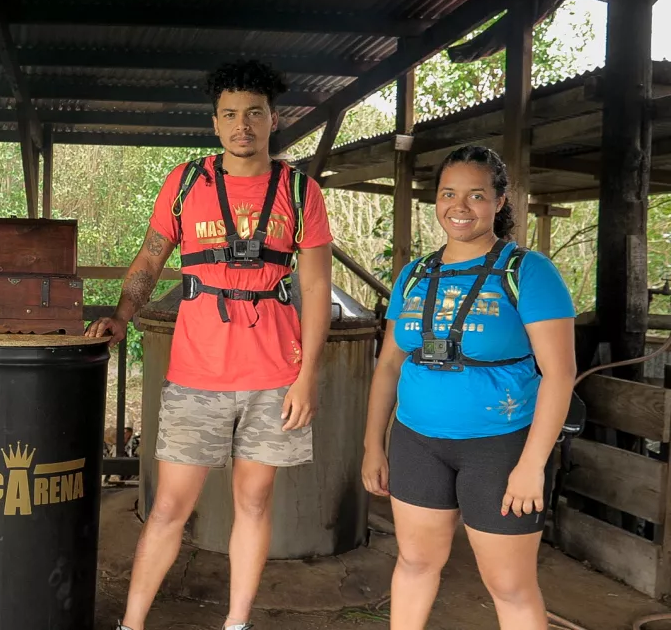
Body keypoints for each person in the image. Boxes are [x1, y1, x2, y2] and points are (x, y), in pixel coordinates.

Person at [87, 59, 334, 630]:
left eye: (253, 113)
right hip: (196, 375)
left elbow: (316, 288)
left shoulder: (301, 191)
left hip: (275, 374)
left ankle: (237, 623)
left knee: (253, 503)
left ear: (273, 119)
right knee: (170, 506)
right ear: (215, 123)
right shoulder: (185, 183)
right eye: (229, 114)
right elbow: (151, 257)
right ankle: (132, 623)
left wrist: (308, 376)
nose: (241, 124)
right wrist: (123, 314)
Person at [361, 145, 577, 630]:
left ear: (500, 201)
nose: (460, 207)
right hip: (417, 441)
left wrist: (531, 466)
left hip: (499, 448)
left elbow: (560, 374)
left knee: (510, 586)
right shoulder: (415, 274)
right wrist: (373, 443)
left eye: (476, 195)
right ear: (436, 200)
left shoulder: (529, 272)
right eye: (448, 194)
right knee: (415, 563)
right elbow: (390, 364)